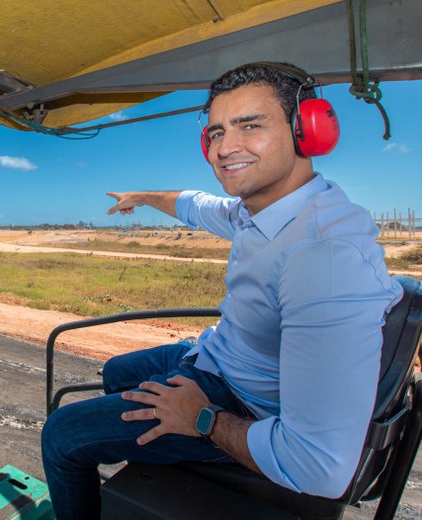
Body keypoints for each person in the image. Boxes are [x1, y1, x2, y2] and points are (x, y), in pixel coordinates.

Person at [40, 62, 403, 520]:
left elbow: (321, 467)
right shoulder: (257, 211)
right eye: (215, 133)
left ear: (307, 129)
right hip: (217, 357)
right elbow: (196, 205)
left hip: (243, 404)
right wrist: (144, 197)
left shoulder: (326, 258)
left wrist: (203, 419)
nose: (225, 148)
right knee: (116, 371)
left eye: (250, 126)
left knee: (61, 435)